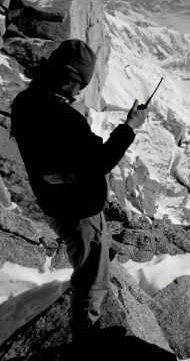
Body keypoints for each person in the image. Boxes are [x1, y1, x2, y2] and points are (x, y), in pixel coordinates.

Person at [11, 39, 148, 345]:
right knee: (92, 282)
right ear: (67, 76)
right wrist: (130, 127)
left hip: (55, 203)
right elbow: (99, 162)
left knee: (88, 273)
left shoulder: (26, 101)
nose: (79, 92)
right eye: (79, 84)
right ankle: (86, 344)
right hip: (79, 212)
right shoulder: (62, 118)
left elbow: (68, 156)